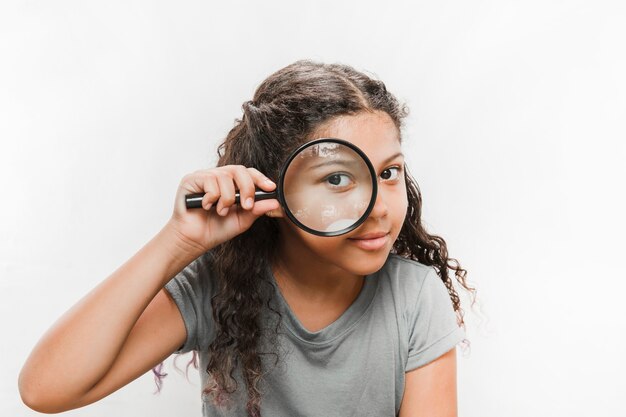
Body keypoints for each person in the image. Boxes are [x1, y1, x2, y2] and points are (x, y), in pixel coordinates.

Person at [18, 60, 476, 417]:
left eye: (390, 173)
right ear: (275, 189)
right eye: (338, 178)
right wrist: (178, 241)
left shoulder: (413, 297)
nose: (379, 207)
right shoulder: (216, 285)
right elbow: (45, 389)